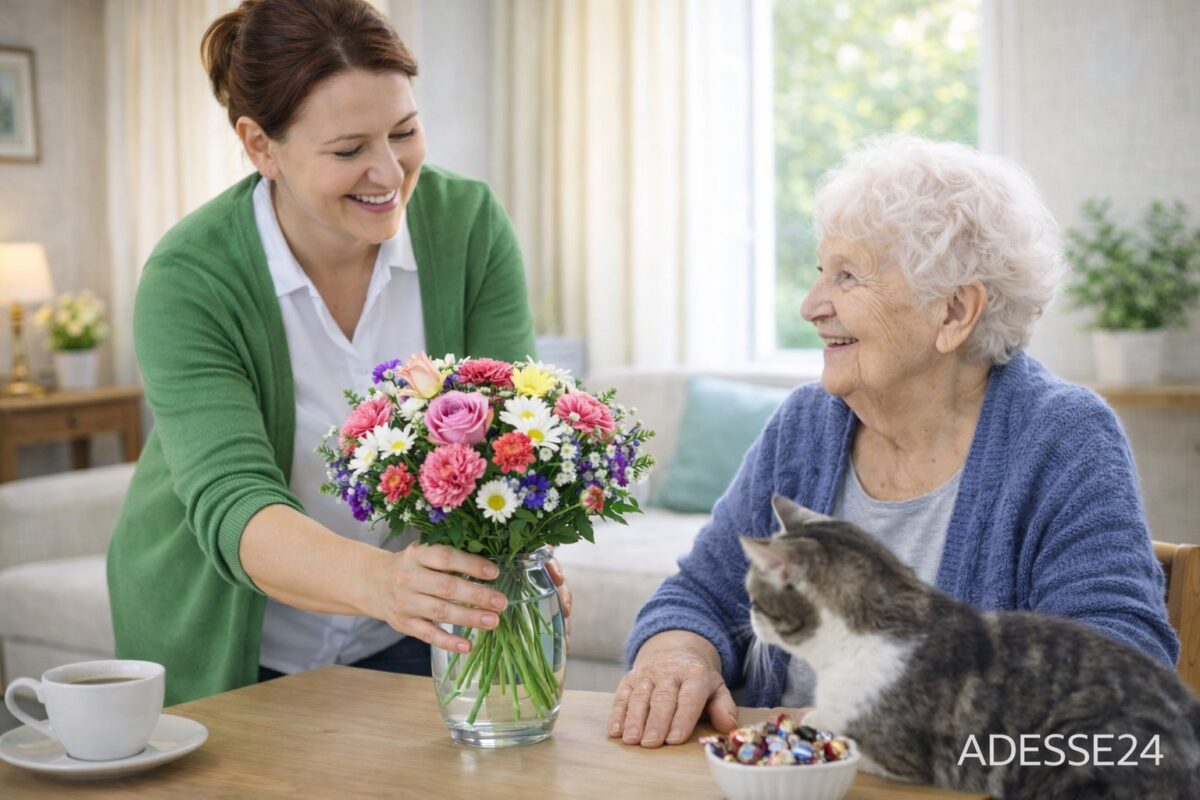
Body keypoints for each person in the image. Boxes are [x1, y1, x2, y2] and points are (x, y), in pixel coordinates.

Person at [609, 134, 1179, 748]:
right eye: (820, 273)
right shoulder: (806, 424)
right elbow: (700, 592)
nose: (811, 305)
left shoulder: (1061, 437)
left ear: (954, 312)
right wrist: (678, 657)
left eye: (848, 276)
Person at [107, 0, 569, 705]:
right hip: (235, 641)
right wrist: (387, 583)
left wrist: (525, 550)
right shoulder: (191, 277)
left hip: (413, 630)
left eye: (404, 132)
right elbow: (232, 501)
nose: (389, 172)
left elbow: (514, 433)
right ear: (261, 146)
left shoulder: (468, 226)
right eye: (349, 151)